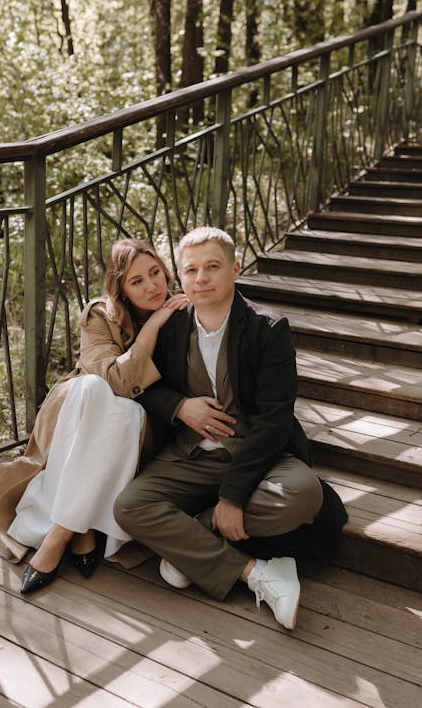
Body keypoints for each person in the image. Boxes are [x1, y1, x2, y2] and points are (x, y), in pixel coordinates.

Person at [114, 227, 347, 631]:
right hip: (191, 456)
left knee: (304, 493)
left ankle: (192, 538)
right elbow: (144, 390)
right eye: (191, 269)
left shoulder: (267, 329)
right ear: (181, 277)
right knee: (129, 507)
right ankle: (257, 573)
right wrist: (180, 406)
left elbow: (275, 418)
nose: (200, 278)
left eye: (212, 267)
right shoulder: (169, 326)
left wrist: (233, 497)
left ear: (235, 269)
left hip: (258, 458)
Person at [0, 238, 188, 594]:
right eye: (137, 281)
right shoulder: (101, 315)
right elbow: (115, 380)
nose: (153, 285)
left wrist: (158, 321)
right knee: (93, 389)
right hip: (81, 414)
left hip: (140, 432)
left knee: (125, 414)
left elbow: (136, 395)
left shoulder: (182, 313)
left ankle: (61, 532)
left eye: (156, 273)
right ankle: (81, 528)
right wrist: (152, 326)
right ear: (121, 289)